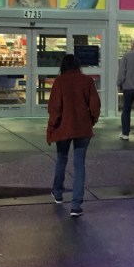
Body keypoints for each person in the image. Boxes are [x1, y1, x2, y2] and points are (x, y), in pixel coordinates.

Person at [46, 53, 101, 217]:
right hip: (82, 128)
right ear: (78, 66)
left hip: (63, 127)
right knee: (79, 164)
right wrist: (91, 120)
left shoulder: (59, 82)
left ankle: (58, 193)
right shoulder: (87, 81)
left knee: (61, 159)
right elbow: (95, 105)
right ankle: (76, 205)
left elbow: (54, 108)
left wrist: (51, 127)